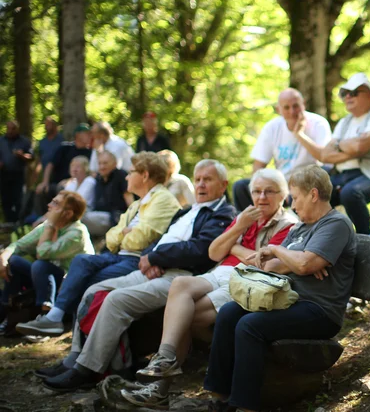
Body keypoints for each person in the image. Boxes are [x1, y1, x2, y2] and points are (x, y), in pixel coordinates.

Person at [36, 160, 235, 392]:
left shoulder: (223, 214)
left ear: (223, 185)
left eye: (207, 179)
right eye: (198, 179)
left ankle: (87, 370)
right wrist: (149, 258)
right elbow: (159, 241)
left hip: (182, 278)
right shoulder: (186, 211)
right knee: (94, 290)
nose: (200, 184)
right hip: (155, 270)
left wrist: (156, 257)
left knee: (115, 300)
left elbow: (200, 250)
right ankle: (74, 358)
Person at [118, 169, 297, 408]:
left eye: (269, 192)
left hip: (247, 281)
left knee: (184, 316)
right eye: (256, 191)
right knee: (180, 285)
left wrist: (232, 247)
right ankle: (164, 359)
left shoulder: (288, 224)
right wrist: (238, 228)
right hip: (221, 273)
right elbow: (214, 251)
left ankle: (159, 388)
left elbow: (264, 263)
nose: (262, 197)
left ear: (282, 196)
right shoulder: (246, 216)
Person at [203, 165, 356, 412]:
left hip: (319, 310)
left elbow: (300, 263)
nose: (293, 206)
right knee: (230, 312)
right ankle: (220, 396)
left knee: (250, 325)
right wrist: (295, 261)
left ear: (313, 194)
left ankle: (245, 405)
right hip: (289, 299)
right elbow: (272, 266)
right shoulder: (302, 227)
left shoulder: (335, 224)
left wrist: (284, 254)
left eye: (295, 198)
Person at [16, 152, 181, 336]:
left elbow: (141, 239)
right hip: (119, 255)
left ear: (145, 175)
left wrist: (122, 235)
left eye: (131, 171)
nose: (126, 176)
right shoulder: (137, 204)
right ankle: (55, 318)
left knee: (88, 281)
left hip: (137, 260)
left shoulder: (163, 200)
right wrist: (124, 233)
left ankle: (68, 329)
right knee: (81, 261)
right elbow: (111, 238)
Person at [294, 73, 370, 234]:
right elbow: (325, 155)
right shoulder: (345, 122)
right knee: (312, 189)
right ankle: (314, 235)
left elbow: (359, 147)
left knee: (351, 193)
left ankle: (364, 237)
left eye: (355, 92)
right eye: (345, 93)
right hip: (345, 174)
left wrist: (345, 146)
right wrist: (351, 147)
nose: (348, 97)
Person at [0, 192, 93, 334]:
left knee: (40, 265)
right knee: (14, 262)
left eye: (56, 204)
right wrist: (3, 258)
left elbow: (42, 254)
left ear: (68, 214)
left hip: (67, 292)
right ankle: (8, 312)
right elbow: (18, 245)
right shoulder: (49, 224)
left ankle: (46, 317)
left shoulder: (77, 233)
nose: (49, 205)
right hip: (46, 281)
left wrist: (49, 227)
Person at [233, 88, 331, 211]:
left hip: (309, 183)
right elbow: (258, 166)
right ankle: (250, 227)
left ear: (303, 104)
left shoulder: (319, 123)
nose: (292, 111)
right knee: (240, 186)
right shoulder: (271, 128)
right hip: (281, 184)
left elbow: (324, 157)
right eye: (286, 107)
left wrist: (300, 135)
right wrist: (262, 189)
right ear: (279, 110)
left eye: (296, 106)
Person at [35, 123, 93, 215]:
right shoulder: (65, 148)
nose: (90, 136)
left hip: (76, 183)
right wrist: (45, 182)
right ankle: (39, 218)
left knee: (63, 189)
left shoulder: (91, 152)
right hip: (57, 181)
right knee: (41, 191)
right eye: (87, 133)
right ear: (78, 135)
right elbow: (50, 165)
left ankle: (60, 216)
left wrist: (70, 180)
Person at [82, 151, 131, 238]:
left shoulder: (121, 175)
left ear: (115, 164)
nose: (102, 166)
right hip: (97, 214)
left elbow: (130, 200)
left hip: (114, 217)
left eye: (105, 163)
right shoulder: (98, 178)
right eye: (99, 163)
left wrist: (130, 221)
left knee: (80, 218)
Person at [0, 120, 33, 222]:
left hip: (18, 174)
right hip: (3, 174)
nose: (10, 131)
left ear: (17, 129)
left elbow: (31, 157)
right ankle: (8, 221)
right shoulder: (1, 141)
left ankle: (19, 221)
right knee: (6, 199)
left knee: (18, 199)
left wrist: (22, 156)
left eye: (13, 129)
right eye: (8, 128)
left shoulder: (24, 141)